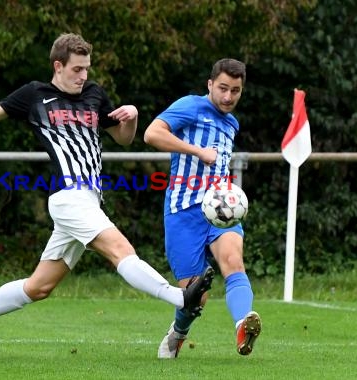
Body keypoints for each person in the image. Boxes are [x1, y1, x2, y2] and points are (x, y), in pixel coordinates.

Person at [0, 33, 213, 360]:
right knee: (120, 248)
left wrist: (130, 116)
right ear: (58, 66)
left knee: (39, 287)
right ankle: (181, 298)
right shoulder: (35, 95)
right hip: (67, 197)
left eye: (87, 68)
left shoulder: (93, 95)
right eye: (77, 69)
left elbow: (123, 139)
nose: (84, 76)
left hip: (90, 199)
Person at [144, 58, 261, 358]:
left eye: (235, 90)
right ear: (210, 85)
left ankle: (242, 324)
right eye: (222, 88)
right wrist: (197, 151)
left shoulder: (231, 123)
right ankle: (177, 334)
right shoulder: (191, 106)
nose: (228, 97)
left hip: (220, 210)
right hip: (183, 211)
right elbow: (152, 134)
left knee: (234, 261)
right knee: (197, 295)